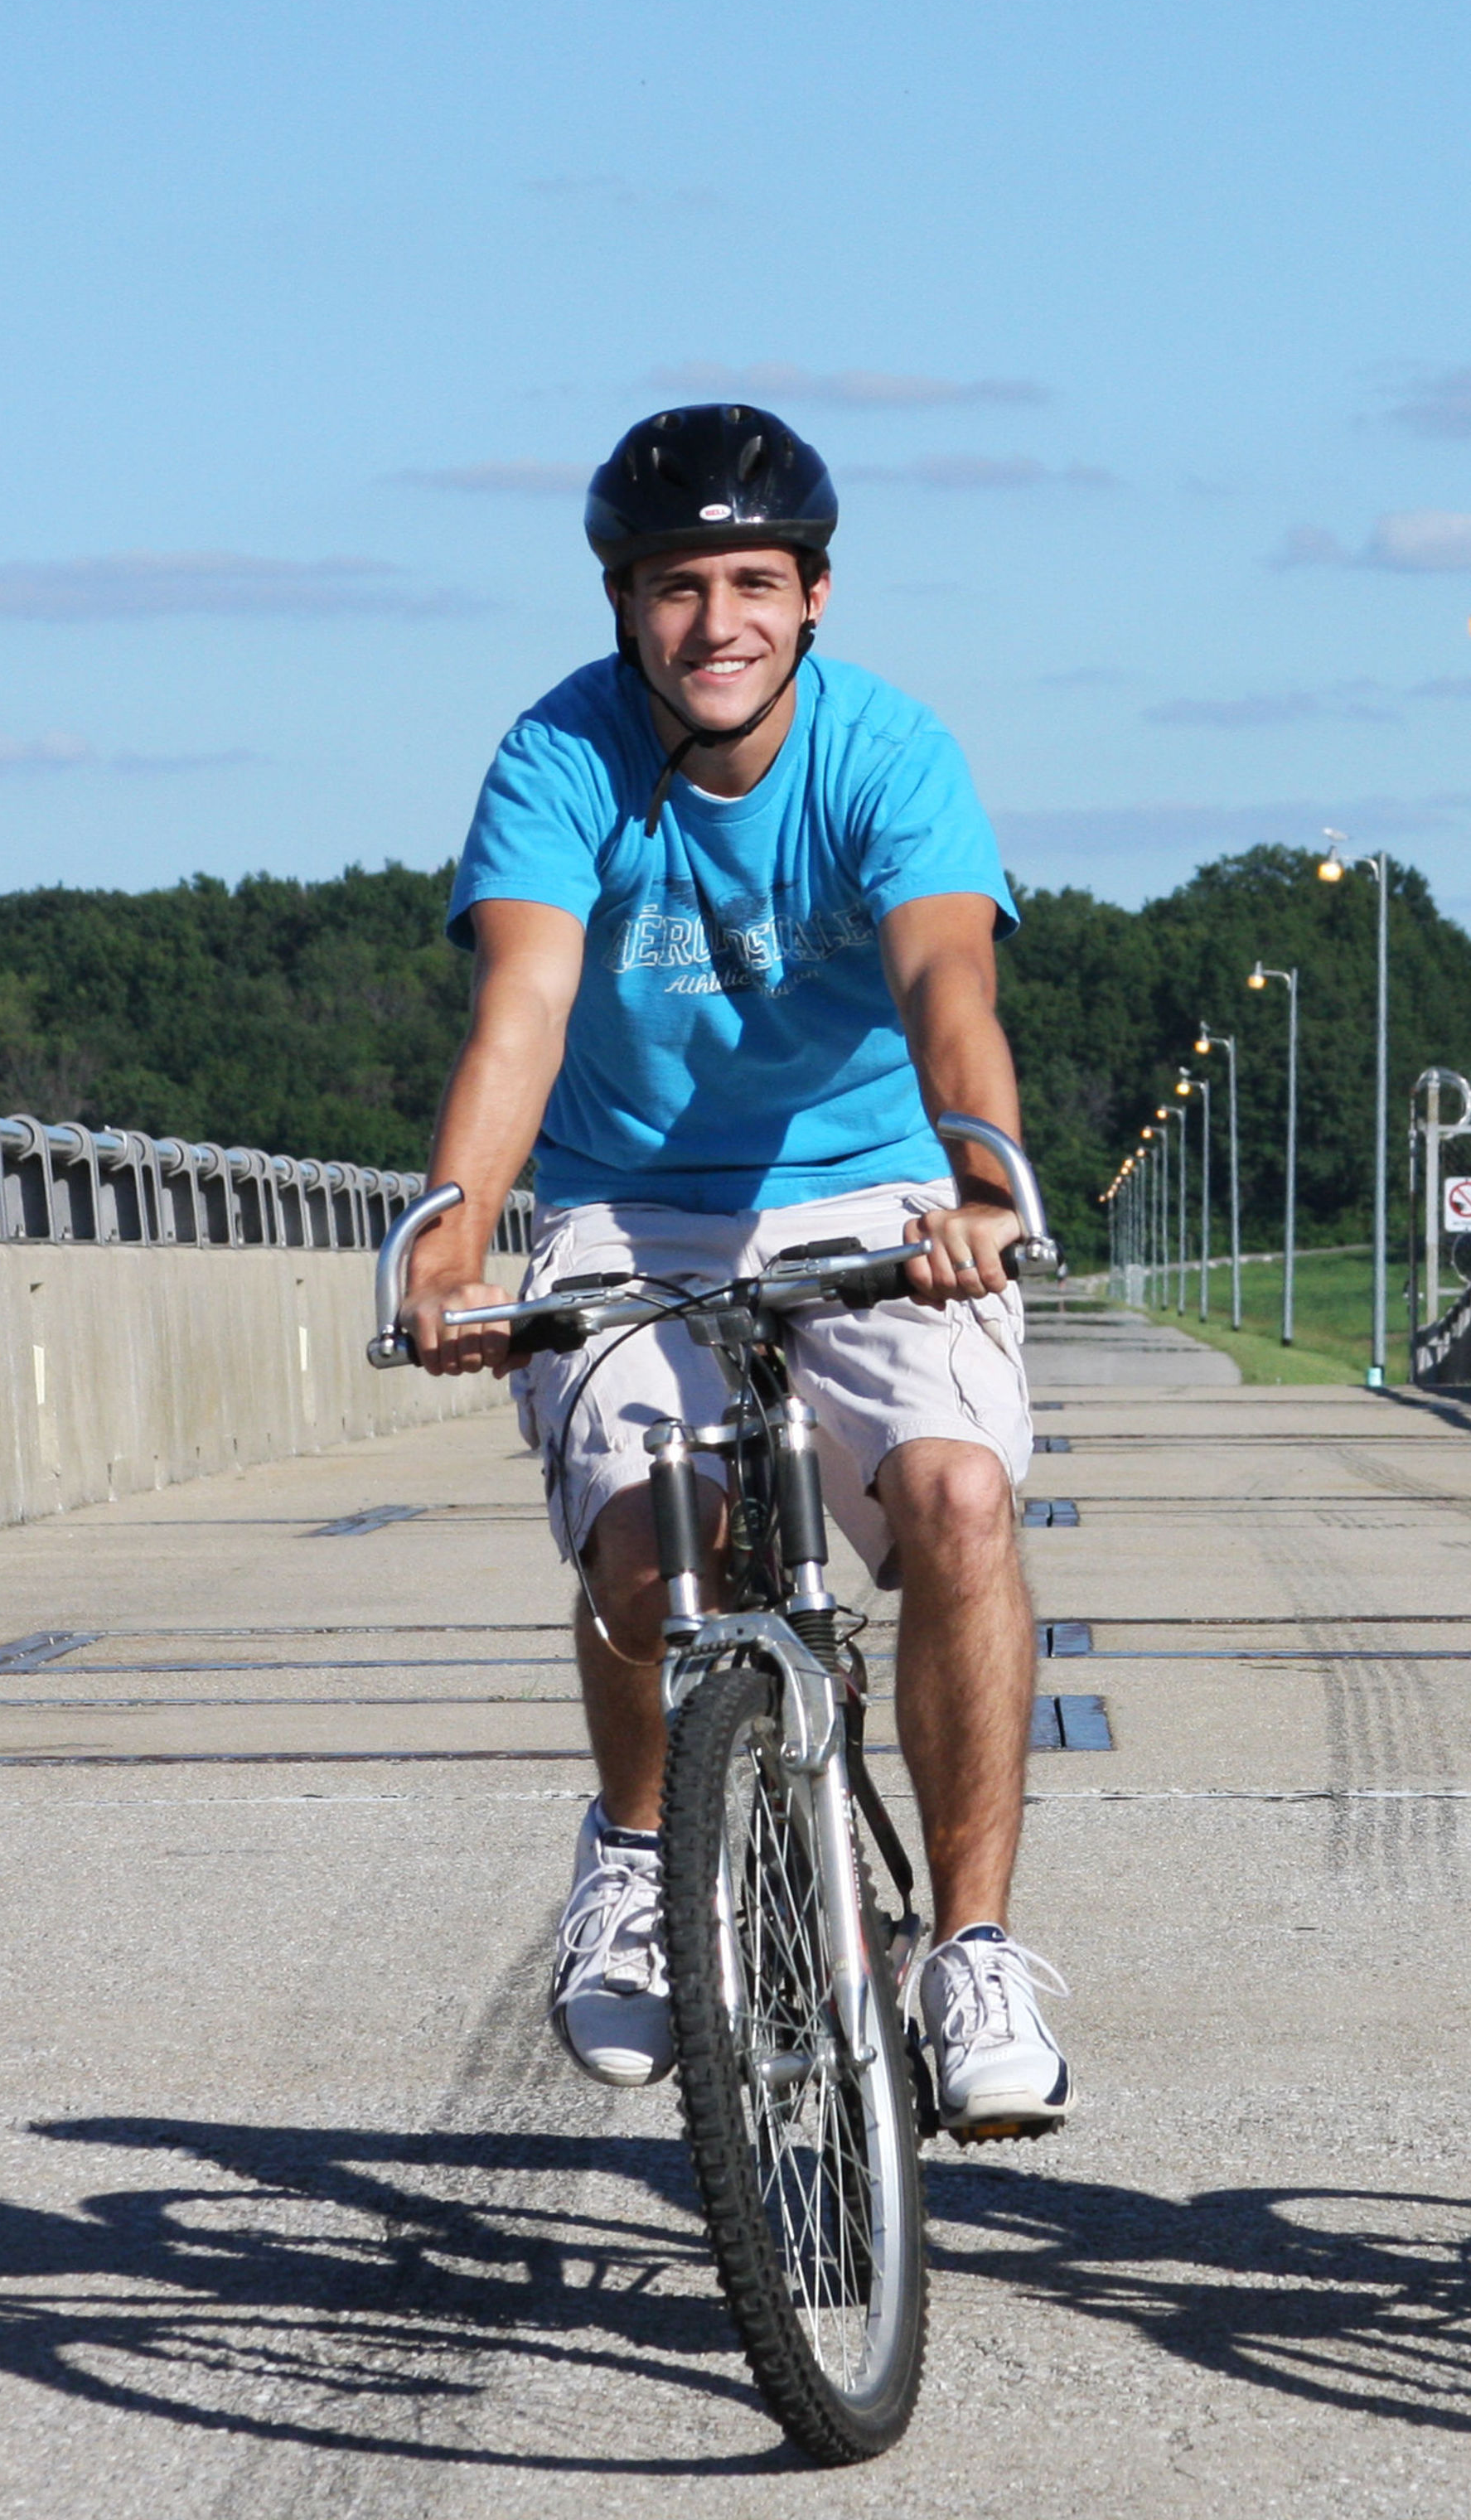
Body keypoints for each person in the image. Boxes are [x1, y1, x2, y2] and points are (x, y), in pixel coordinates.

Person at [399, 401, 1070, 2137]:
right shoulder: (559, 759)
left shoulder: (890, 754)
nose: (719, 624)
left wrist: (984, 1180)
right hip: (635, 1207)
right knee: (647, 1533)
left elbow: (947, 989)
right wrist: (458, 1222)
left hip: (872, 1196)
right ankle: (636, 1849)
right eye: (680, 587)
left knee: (959, 1502)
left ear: (818, 596)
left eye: (755, 583)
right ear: (625, 601)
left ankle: (975, 1950)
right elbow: (526, 1008)